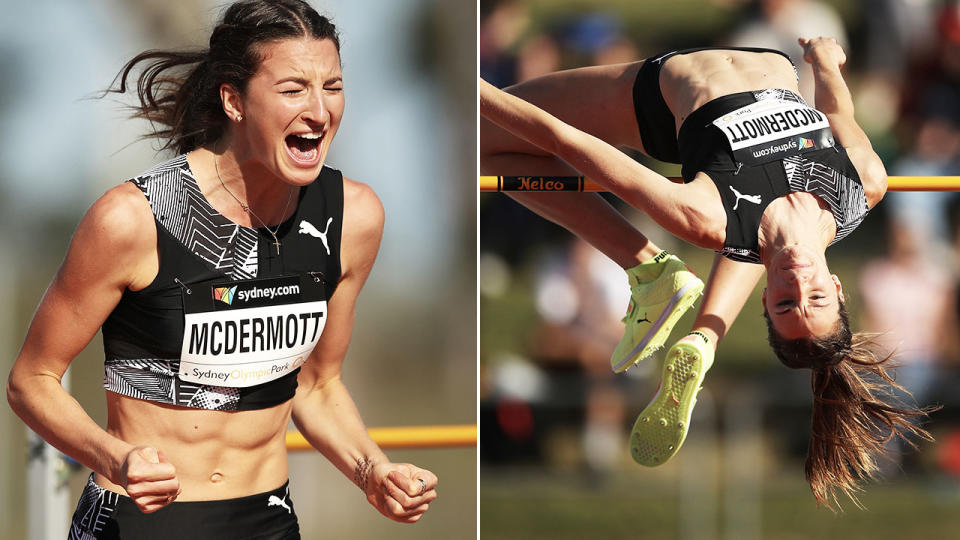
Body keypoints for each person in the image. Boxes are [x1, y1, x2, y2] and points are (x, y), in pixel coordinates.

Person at [6, 1, 437, 538]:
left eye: (333, 86)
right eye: (293, 88)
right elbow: (32, 380)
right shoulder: (132, 219)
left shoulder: (354, 217)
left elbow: (317, 384)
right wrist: (116, 458)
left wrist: (372, 471)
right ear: (234, 101)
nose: (320, 111)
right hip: (142, 522)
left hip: (266, 519)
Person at [481, 37, 932, 509]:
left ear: (764, 300)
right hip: (771, 59)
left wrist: (481, 92)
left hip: (664, 92)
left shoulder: (706, 218)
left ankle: (648, 267)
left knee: (483, 141)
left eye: (784, 302)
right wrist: (825, 64)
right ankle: (687, 317)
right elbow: (841, 116)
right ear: (838, 288)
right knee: (763, 239)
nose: (798, 283)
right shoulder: (863, 186)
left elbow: (563, 140)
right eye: (815, 299)